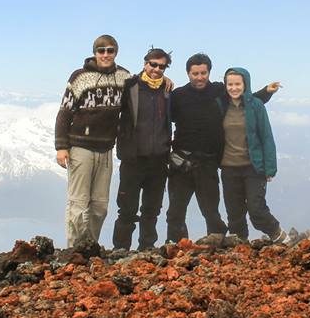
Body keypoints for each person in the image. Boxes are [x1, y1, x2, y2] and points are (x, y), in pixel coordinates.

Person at [166, 53, 279, 243]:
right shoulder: (177, 96)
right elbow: (161, 116)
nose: (200, 77)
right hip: (181, 160)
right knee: (176, 210)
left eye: (203, 73)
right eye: (195, 73)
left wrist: (265, 92)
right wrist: (163, 82)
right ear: (188, 73)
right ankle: (177, 246)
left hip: (208, 161)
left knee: (211, 209)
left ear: (209, 72)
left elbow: (244, 100)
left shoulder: (219, 90)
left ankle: (217, 243)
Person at [54, 34, 131, 247]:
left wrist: (166, 81)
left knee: (99, 206)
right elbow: (64, 113)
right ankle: (74, 251)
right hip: (80, 147)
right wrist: (61, 147)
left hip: (106, 148)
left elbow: (142, 87)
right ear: (95, 52)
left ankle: (89, 247)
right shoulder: (80, 77)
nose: (105, 54)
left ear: (116, 52)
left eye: (110, 50)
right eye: (101, 50)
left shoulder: (124, 77)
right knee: (79, 204)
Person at [111, 48, 173, 251]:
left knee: (152, 209)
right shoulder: (129, 86)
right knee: (127, 209)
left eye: (161, 66)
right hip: (133, 160)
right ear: (145, 63)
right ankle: (120, 251)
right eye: (152, 64)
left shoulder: (167, 90)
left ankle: (146, 250)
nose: (156, 69)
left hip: (159, 161)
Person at [219, 67, 286, 243]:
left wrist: (270, 168)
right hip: (228, 167)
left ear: (245, 84)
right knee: (234, 213)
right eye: (230, 84)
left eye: (237, 84)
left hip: (253, 167)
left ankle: (280, 237)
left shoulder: (255, 105)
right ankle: (240, 248)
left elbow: (266, 136)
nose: (233, 88)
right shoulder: (221, 104)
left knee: (257, 210)